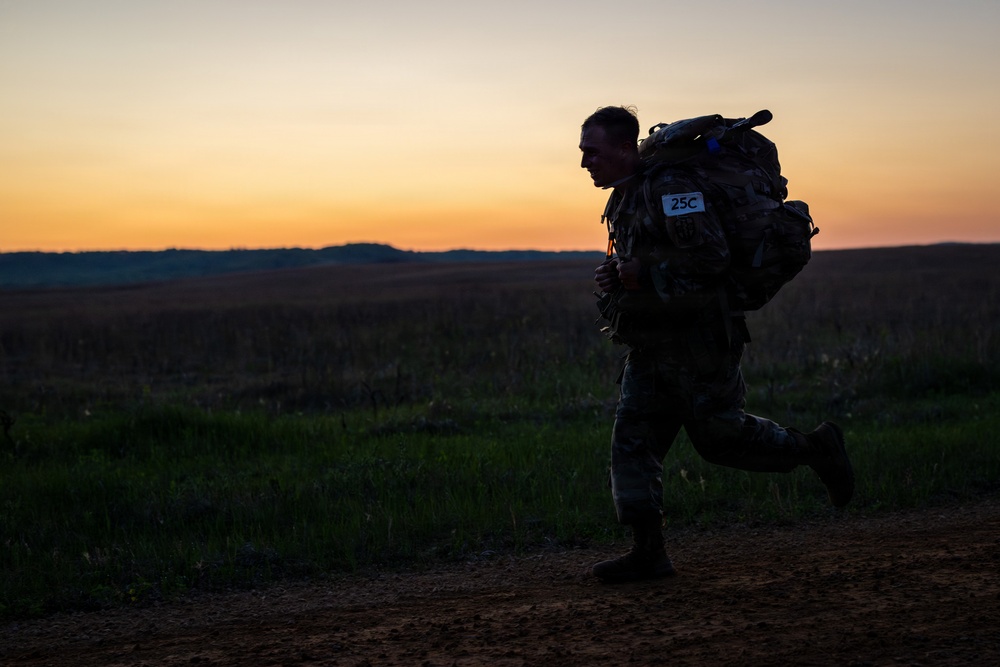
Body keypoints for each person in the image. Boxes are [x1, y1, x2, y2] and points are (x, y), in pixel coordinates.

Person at [579, 105, 854, 583]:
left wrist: (647, 273)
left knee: (720, 439)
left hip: (700, 340)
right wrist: (619, 279)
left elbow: (712, 257)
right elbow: (643, 262)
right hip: (651, 345)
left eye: (592, 152)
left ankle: (814, 448)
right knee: (633, 442)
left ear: (625, 148)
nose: (585, 162)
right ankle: (648, 552)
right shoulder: (624, 197)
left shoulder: (673, 190)